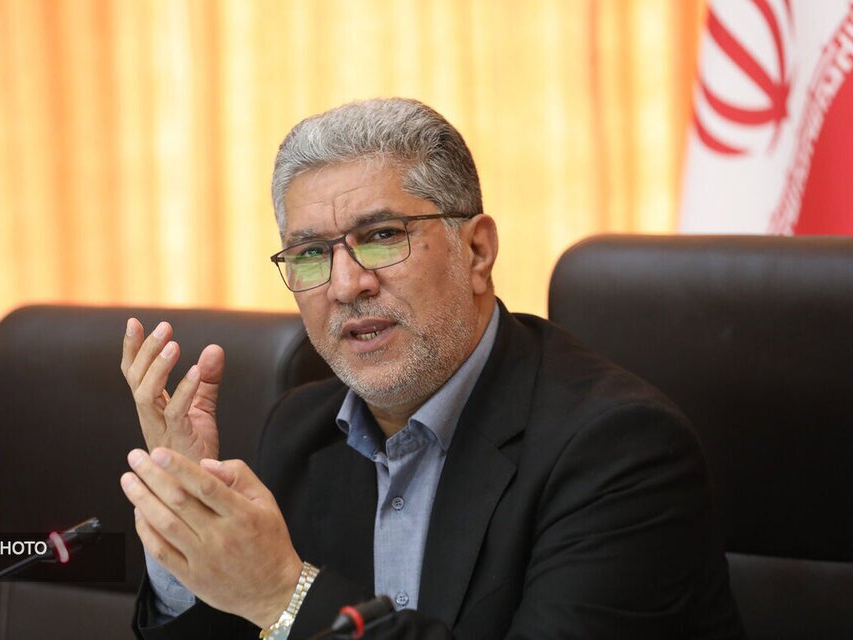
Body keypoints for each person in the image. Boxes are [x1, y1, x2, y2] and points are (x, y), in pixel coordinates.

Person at [119, 98, 744, 639]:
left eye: (382, 236)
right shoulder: (300, 433)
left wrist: (287, 593)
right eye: (310, 252)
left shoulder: (620, 449)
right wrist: (189, 526)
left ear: (477, 251)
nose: (346, 284)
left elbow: (281, 607)